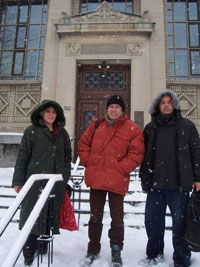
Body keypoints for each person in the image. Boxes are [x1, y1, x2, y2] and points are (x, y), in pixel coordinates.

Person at [78, 95, 145, 266]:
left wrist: (121, 168)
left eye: (117, 107)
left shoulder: (132, 128)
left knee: (117, 218)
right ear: (107, 109)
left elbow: (137, 153)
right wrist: (88, 162)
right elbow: (83, 144)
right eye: (111, 106)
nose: (113, 109)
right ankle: (93, 248)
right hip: (97, 179)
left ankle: (116, 249)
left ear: (123, 110)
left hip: (116, 180)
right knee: (95, 217)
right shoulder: (96, 125)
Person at [139, 89, 200, 267]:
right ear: (158, 106)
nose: (166, 105)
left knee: (180, 225)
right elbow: (144, 156)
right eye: (163, 102)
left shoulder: (187, 126)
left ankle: (181, 258)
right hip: (155, 186)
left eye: (169, 102)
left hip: (179, 186)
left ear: (174, 105)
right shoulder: (150, 128)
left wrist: (198, 178)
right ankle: (154, 254)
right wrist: (144, 179)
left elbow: (196, 152)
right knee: (152, 222)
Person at [12, 99, 72, 266]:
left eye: (53, 112)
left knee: (48, 215)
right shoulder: (31, 131)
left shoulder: (62, 133)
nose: (51, 114)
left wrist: (65, 175)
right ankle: (29, 252)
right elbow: (23, 156)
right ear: (41, 113)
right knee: (31, 216)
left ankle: (43, 246)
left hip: (55, 183)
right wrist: (18, 180)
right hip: (35, 182)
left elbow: (68, 155)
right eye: (48, 112)